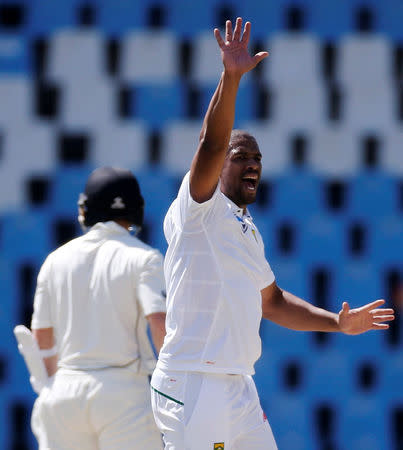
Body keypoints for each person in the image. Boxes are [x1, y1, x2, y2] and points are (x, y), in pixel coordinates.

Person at [150, 18, 395, 450]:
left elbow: (273, 301)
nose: (253, 165)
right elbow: (211, 142)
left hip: (237, 383)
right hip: (192, 381)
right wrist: (230, 78)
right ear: (218, 166)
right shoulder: (196, 211)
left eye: (258, 159)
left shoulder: (246, 229)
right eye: (241, 156)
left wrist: (337, 323)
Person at [29, 167, 166, 449]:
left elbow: (41, 336)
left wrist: (52, 385)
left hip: (64, 391)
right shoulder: (145, 258)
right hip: (124, 392)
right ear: (135, 210)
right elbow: (159, 326)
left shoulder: (55, 261)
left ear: (85, 209)